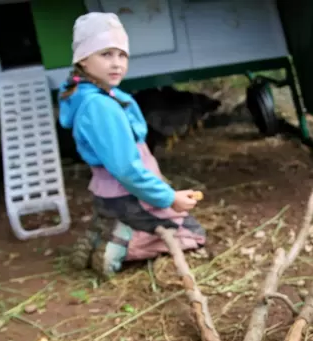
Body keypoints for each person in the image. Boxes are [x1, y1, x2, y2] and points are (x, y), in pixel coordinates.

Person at [58, 12, 206, 278]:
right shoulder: (101, 107)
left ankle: (104, 229)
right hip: (128, 194)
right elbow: (126, 170)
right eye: (105, 54)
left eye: (122, 55)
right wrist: (169, 198)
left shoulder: (97, 94)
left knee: (162, 217)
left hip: (112, 195)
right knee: (193, 233)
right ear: (83, 59)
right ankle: (122, 243)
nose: (117, 64)